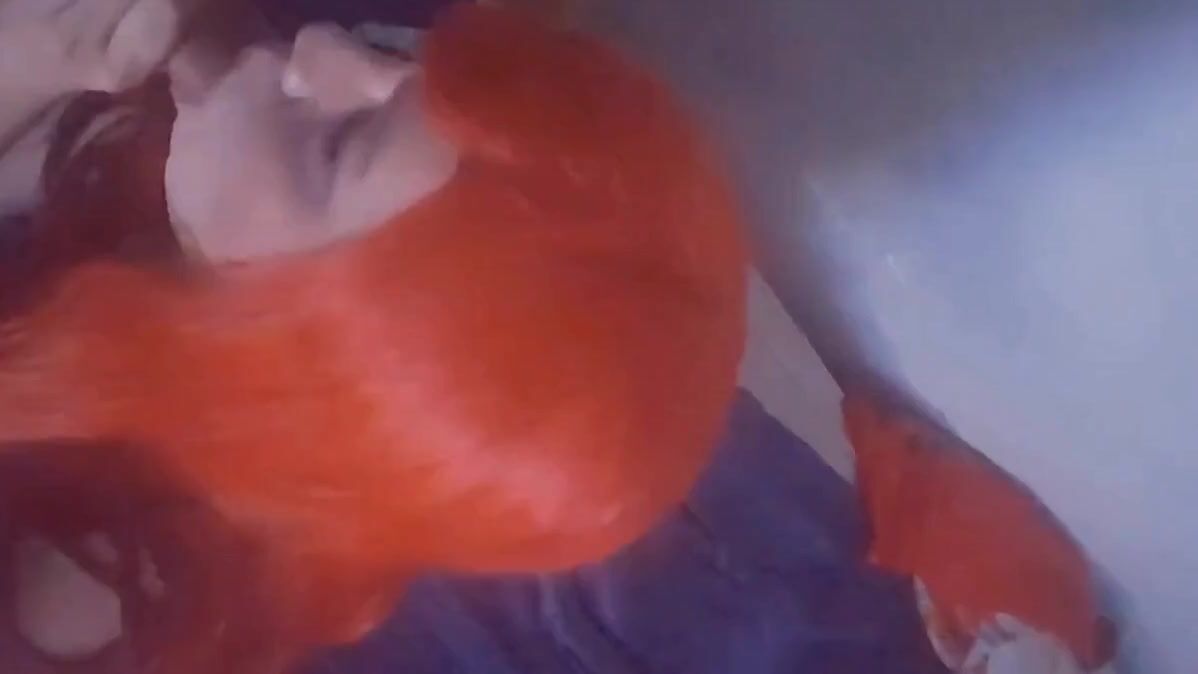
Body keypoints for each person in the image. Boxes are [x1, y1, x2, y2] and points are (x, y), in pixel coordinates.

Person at [0, 3, 748, 673]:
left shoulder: (83, 596)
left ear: (301, 363)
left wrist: (18, 69)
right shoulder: (242, 124)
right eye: (399, 58)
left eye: (335, 147)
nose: (323, 48)